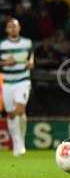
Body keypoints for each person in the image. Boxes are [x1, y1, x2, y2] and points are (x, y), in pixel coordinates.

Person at [0, 18, 34, 156]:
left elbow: (31, 59)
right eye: (10, 27)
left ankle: (20, 145)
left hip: (23, 81)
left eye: (15, 26)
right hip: (7, 83)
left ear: (19, 28)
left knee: (19, 110)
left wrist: (31, 63)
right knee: (11, 114)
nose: (12, 29)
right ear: (6, 29)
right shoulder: (2, 45)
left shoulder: (27, 43)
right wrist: (6, 63)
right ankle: (17, 143)